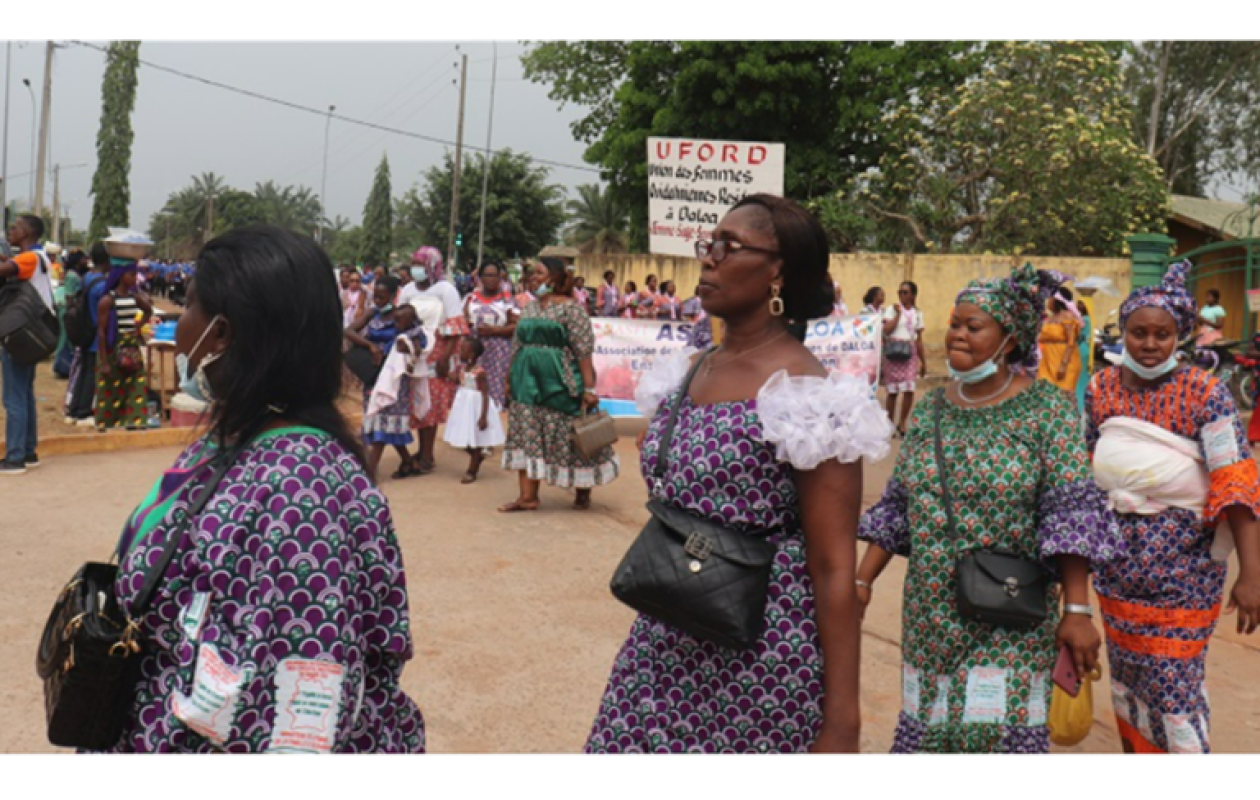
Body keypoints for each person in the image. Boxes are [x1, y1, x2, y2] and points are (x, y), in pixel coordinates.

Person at [91, 225, 425, 753]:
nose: (180, 328)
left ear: (221, 334)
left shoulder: (299, 493)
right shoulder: (238, 442)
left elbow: (295, 720)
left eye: (191, 307)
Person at [586, 194, 885, 753]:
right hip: (664, 639)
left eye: (730, 246)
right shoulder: (692, 368)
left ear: (778, 271)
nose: (709, 258)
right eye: (709, 244)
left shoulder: (812, 397)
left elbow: (831, 565)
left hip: (761, 662)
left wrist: (843, 720)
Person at [856, 262, 1123, 753]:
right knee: (932, 741)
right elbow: (898, 506)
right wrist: (861, 580)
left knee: (999, 739)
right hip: (932, 613)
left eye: (972, 326)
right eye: (954, 323)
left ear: (1010, 338)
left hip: (1014, 612)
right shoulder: (933, 408)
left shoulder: (1047, 410)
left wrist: (1080, 610)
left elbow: (1070, 514)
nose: (956, 334)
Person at [1085, 260, 1260, 754]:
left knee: (1174, 686)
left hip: (1184, 569)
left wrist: (1251, 573)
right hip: (1117, 566)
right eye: (1138, 332)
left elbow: (1235, 483)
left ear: (1180, 335)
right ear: (1125, 333)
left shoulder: (1206, 393)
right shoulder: (1101, 390)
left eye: (1161, 334)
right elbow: (1082, 470)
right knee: (1129, 683)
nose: (1148, 343)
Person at [500, 256, 619, 512]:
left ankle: (582, 488)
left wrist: (588, 388)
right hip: (526, 381)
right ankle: (528, 497)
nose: (533, 277)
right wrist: (510, 378)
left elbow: (583, 351)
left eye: (539, 273)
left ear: (554, 277)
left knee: (570, 435)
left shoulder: (572, 309)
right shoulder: (529, 308)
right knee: (526, 435)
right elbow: (517, 345)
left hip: (560, 381)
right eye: (532, 273)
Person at [344, 277, 419, 479]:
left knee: (384, 418)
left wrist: (405, 347)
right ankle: (408, 461)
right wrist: (370, 346)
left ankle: (370, 470)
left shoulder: (403, 315)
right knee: (379, 416)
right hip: (373, 372)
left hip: (393, 376)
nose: (377, 301)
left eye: (382, 297)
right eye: (375, 296)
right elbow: (349, 331)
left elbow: (419, 339)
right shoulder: (372, 312)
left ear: (394, 296)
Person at [0, 214, 54, 474]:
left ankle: (15, 457)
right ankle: (28, 450)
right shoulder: (40, 257)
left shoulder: (29, 258)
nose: (11, 230)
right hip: (35, 335)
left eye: (16, 227)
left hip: (19, 335)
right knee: (25, 393)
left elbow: (7, 269)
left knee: (14, 397)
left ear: (27, 233)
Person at [410, 248, 470, 473]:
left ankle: (427, 454)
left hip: (438, 352)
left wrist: (446, 359)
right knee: (416, 400)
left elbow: (456, 328)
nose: (415, 268)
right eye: (413, 263)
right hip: (415, 351)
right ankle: (421, 449)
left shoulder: (446, 290)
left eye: (419, 263)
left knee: (431, 402)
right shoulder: (407, 289)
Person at [94, 257, 154, 431]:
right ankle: (107, 426)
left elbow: (148, 310)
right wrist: (104, 362)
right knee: (110, 390)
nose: (135, 278)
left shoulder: (135, 298)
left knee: (135, 386)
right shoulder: (107, 300)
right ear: (121, 276)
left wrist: (139, 326)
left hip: (131, 347)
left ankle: (134, 423)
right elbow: (102, 333)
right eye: (132, 274)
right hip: (113, 349)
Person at [443, 336, 506, 484]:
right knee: (462, 437)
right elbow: (461, 381)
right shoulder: (463, 369)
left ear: (471, 354)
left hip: (475, 406)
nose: (460, 353)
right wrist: (449, 375)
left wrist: (483, 416)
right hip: (463, 406)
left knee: (474, 437)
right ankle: (476, 456)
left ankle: (472, 470)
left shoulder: (480, 373)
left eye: (463, 350)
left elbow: (484, 394)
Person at [65, 243, 113, 426]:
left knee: (83, 371)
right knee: (91, 375)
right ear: (108, 261)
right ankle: (84, 412)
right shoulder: (102, 285)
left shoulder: (87, 277)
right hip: (94, 334)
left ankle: (74, 409)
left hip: (84, 332)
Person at [463, 260, 518, 408]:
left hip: (498, 353)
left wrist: (494, 331)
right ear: (480, 278)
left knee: (494, 394)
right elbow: (462, 321)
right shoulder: (471, 298)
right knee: (472, 392)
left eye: (495, 275)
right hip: (474, 352)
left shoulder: (507, 300)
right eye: (488, 275)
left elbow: (516, 325)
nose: (492, 279)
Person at [882, 281, 926, 436]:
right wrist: (898, 314)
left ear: (913, 295)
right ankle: (889, 424)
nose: (901, 295)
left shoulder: (918, 314)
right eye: (900, 292)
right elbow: (886, 330)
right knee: (892, 391)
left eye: (905, 292)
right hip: (894, 350)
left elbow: (919, 339)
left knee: (909, 389)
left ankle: (902, 423)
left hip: (910, 351)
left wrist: (923, 361)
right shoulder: (891, 310)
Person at [1037, 285, 1084, 394]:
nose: (1048, 302)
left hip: (1064, 360)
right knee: (1045, 394)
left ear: (1057, 300)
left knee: (1063, 396)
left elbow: (1071, 341)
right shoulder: (1050, 318)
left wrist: (1063, 365)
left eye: (1050, 299)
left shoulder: (1067, 316)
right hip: (1047, 361)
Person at [1076, 299, 1092, 411]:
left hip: (1080, 349)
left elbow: (1077, 334)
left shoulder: (1084, 320)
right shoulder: (1088, 319)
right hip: (1084, 348)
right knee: (1083, 377)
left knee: (1080, 379)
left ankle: (1080, 404)